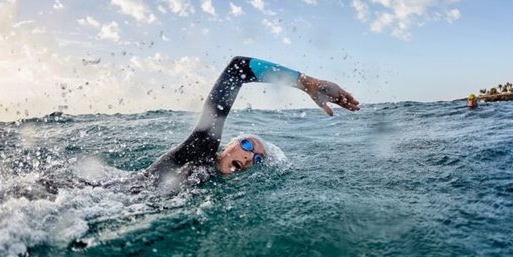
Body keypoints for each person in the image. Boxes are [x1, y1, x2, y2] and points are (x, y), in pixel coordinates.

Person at [147, 56, 359, 183]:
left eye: (257, 159)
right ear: (228, 145)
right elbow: (237, 69)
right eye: (246, 145)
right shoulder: (200, 150)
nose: (249, 157)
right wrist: (307, 83)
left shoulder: (217, 186)